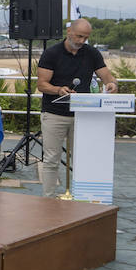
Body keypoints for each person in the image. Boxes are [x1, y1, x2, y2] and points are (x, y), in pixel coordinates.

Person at [35, 18, 118, 198]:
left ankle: (81, 197)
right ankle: (47, 200)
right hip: (53, 114)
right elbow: (41, 85)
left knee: (82, 159)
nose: (81, 41)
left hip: (82, 115)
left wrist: (111, 84)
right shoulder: (51, 53)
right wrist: (58, 90)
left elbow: (107, 77)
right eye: (79, 36)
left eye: (85, 38)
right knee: (51, 160)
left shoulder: (92, 53)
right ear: (69, 32)